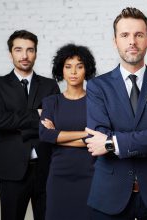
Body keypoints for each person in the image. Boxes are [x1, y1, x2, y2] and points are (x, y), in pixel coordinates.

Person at [84, 7, 147, 220]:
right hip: (110, 193)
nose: (132, 41)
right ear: (115, 41)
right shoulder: (97, 87)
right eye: (125, 35)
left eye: (138, 35)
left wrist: (112, 143)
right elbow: (97, 137)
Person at [0, 30, 60, 220]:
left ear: (36, 52)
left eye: (30, 50)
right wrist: (36, 114)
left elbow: (55, 122)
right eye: (18, 50)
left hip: (46, 166)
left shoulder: (49, 85)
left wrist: (15, 120)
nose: (24, 56)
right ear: (11, 54)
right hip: (11, 167)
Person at [39, 43, 96, 220]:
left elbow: (100, 137)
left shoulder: (96, 102)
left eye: (79, 66)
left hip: (91, 174)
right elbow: (45, 135)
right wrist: (84, 134)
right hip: (59, 176)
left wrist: (58, 135)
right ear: (61, 70)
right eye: (68, 67)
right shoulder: (51, 102)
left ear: (86, 70)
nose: (73, 72)